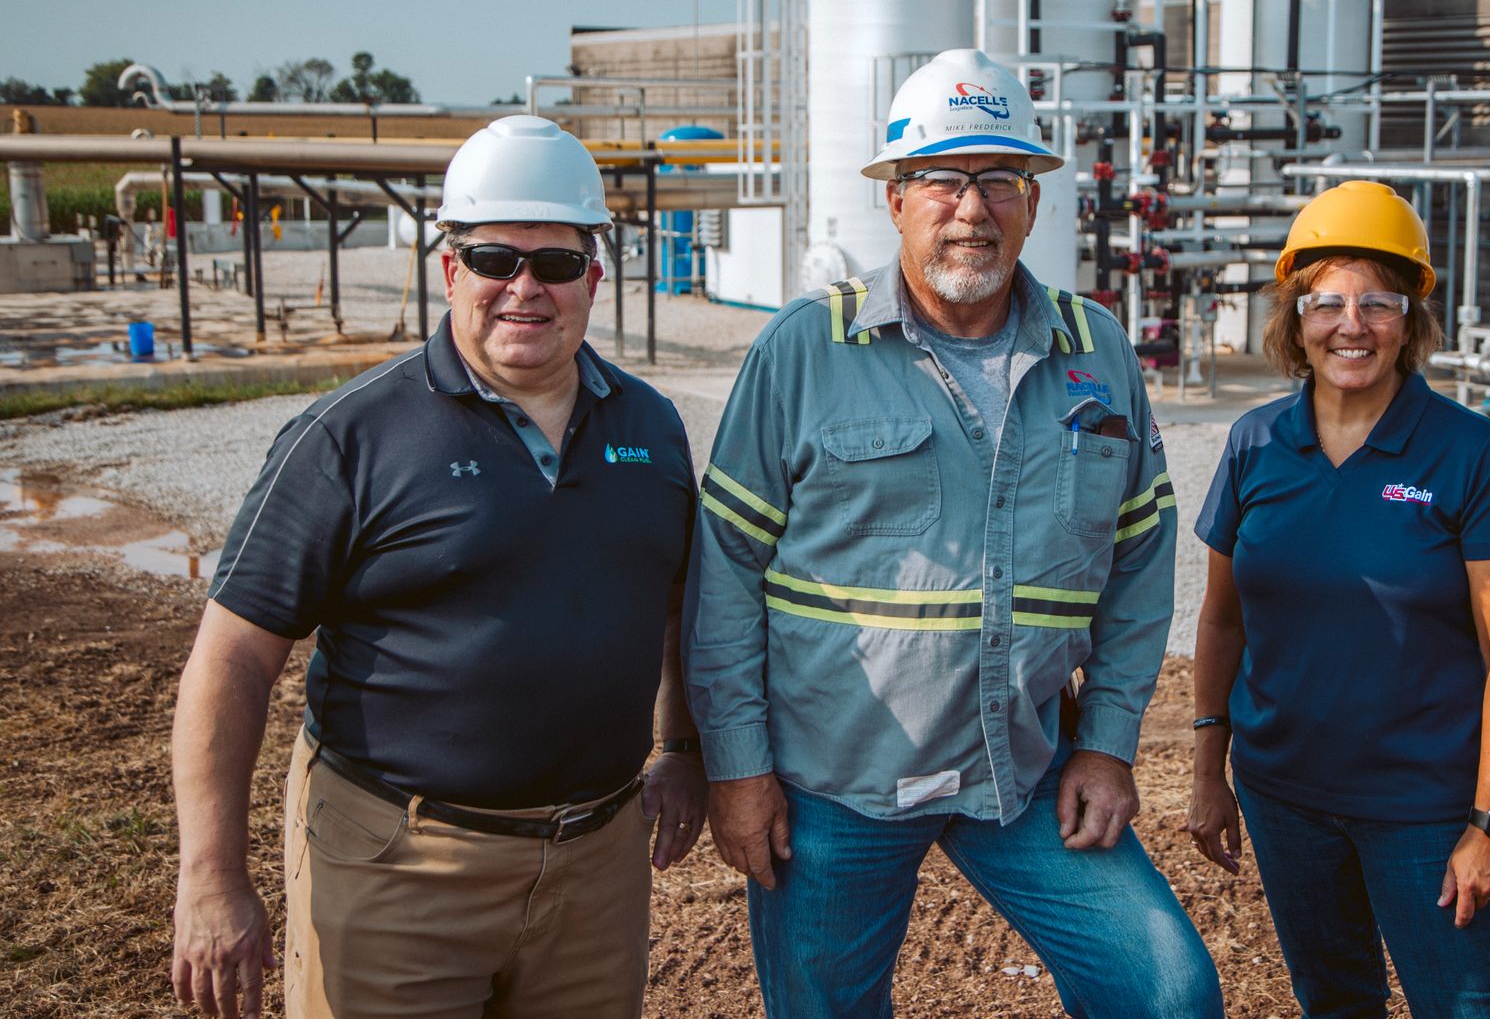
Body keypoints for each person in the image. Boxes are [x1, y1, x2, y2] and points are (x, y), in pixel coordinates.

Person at [685, 49, 1222, 1018]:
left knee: (1167, 989)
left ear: (1033, 200)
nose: (970, 207)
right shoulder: (806, 349)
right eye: (941, 177)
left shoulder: (1094, 348)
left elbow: (1143, 552)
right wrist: (737, 766)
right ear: (895, 197)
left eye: (998, 179)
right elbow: (723, 569)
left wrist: (1106, 743)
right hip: (830, 787)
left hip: (1020, 770)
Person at [169, 115, 707, 1019]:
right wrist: (211, 876)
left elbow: (671, 606)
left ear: (596, 277)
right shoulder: (350, 437)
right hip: (399, 865)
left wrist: (680, 746)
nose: (524, 288)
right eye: (496, 260)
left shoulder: (650, 428)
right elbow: (231, 660)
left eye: (557, 264)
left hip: (597, 866)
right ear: (452, 270)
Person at [1184, 180, 1490, 1019]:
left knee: (1464, 1009)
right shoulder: (1256, 443)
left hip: (1421, 812)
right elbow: (1222, 618)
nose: (1352, 325)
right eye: (1328, 303)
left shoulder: (1474, 454)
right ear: (1296, 319)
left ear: (1411, 319)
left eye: (1378, 303)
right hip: (1284, 798)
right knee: (1336, 1002)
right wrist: (1210, 768)